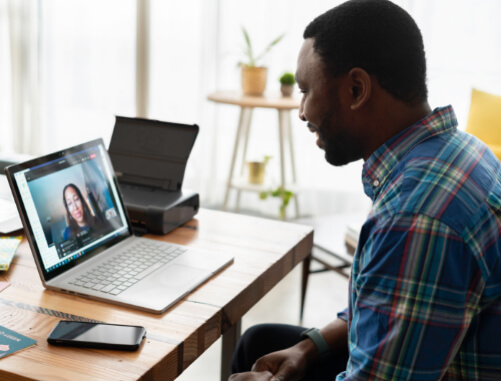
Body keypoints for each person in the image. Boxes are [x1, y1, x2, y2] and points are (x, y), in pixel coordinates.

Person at [230, 0, 501, 380]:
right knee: (259, 342)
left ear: (356, 89)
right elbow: (387, 306)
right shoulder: (460, 151)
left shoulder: (416, 216)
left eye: (307, 90)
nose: (302, 111)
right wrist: (309, 348)